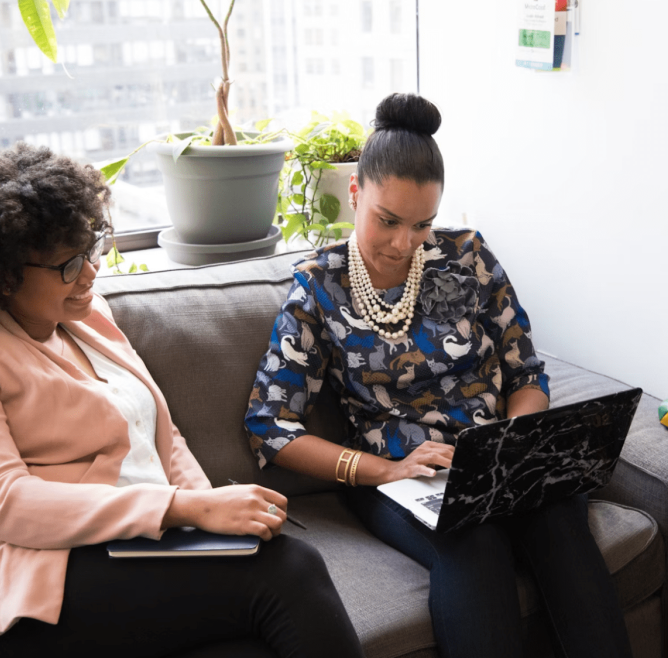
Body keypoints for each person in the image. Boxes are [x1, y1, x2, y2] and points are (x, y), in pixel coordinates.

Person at [0, 143, 364, 658]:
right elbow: (5, 504)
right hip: (17, 573)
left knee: (263, 580)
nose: (90, 272)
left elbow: (165, 442)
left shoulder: (88, 316)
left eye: (92, 248)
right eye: (68, 263)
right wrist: (186, 507)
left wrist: (211, 514)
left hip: (121, 545)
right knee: (291, 572)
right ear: (4, 273)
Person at [245, 93, 633, 658]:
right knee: (470, 538)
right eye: (388, 221)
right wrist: (387, 468)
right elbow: (269, 425)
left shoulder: (468, 257)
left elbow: (527, 372)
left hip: (495, 460)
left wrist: (515, 440)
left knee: (558, 519)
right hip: (397, 477)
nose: (405, 243)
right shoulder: (317, 287)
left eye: (422, 224)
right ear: (355, 194)